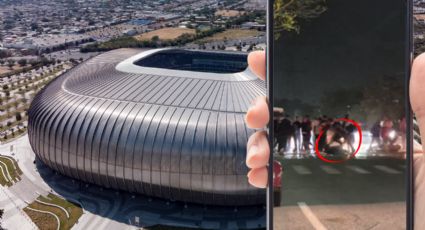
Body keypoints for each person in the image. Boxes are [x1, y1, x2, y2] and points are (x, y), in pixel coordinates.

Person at [244, 51, 425, 228]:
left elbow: (341, 133)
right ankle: (304, 150)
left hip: (333, 139)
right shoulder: (323, 126)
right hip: (320, 139)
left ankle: (310, 149)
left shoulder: (341, 126)